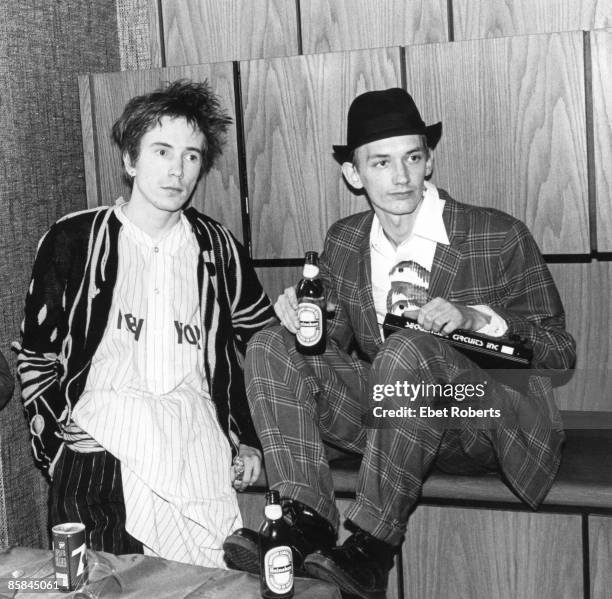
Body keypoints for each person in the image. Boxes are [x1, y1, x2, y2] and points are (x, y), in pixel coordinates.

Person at [223, 88, 576, 598]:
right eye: (381, 162)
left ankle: (371, 546)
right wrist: (305, 320)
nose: (401, 176)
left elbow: (559, 349)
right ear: (354, 174)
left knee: (407, 347)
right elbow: (331, 343)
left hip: (478, 423)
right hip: (393, 425)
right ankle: (305, 520)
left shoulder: (496, 234)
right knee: (272, 343)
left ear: (429, 160)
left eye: (412, 157)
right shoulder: (346, 240)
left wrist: (476, 319)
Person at [16, 79, 275, 567]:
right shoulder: (73, 239)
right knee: (93, 584)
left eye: (192, 156)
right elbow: (36, 355)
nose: (177, 170)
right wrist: (59, 439)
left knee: (199, 583)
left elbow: (264, 348)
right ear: (130, 161)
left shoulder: (218, 248)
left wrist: (250, 439)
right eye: (161, 151)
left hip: (193, 446)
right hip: (98, 446)